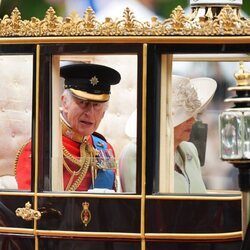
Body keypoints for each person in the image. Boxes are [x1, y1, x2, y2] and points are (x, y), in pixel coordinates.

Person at [15, 63, 121, 192]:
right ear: (65, 102)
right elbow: (30, 206)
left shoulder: (105, 149)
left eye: (97, 105)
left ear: (104, 112)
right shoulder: (39, 149)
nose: (90, 113)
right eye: (83, 103)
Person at [119, 75, 217, 193]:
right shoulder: (135, 153)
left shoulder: (190, 150)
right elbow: (137, 207)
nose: (193, 121)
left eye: (193, 115)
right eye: (185, 117)